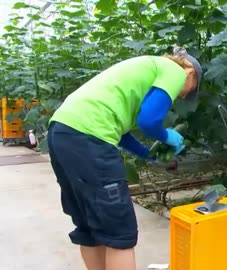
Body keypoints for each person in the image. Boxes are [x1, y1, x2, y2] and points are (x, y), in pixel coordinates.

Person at [46, 46, 202, 270]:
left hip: (61, 132)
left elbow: (122, 134)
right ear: (190, 73)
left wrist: (149, 156)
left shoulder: (144, 70)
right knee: (120, 233)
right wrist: (169, 135)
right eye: (188, 90)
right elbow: (148, 121)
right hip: (89, 137)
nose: (182, 95)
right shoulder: (175, 71)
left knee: (89, 229)